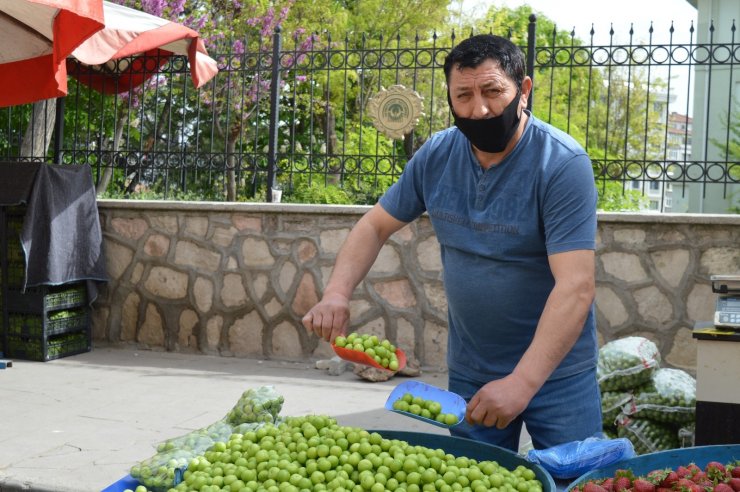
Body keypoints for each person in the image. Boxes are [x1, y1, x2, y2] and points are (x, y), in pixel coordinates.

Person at [301, 34, 601, 452]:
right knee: (477, 477)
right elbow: (374, 226)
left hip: (558, 376)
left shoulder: (562, 164)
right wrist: (336, 293)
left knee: (579, 479)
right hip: (471, 372)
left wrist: (523, 382)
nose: (479, 109)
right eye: (464, 95)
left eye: (493, 91)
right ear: (449, 98)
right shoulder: (437, 155)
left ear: (524, 90)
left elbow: (576, 286)